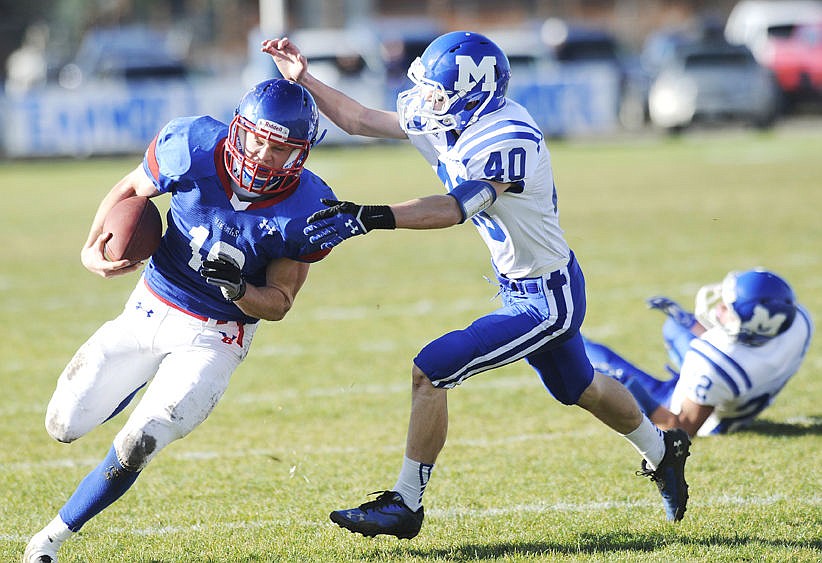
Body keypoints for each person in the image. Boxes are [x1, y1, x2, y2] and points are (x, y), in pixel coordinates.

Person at [263, 31, 692, 539]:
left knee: (431, 370)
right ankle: (664, 450)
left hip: (545, 298)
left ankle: (406, 502)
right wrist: (304, 79)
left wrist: (370, 216)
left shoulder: (507, 137)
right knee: (581, 388)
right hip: (524, 282)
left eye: (437, 94)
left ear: (473, 95)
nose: (426, 102)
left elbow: (452, 209)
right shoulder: (448, 114)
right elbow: (362, 120)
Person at [23, 79, 337, 562]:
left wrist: (239, 289)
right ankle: (134, 380)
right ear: (239, 128)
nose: (264, 154)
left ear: (301, 154)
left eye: (280, 148)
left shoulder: (308, 205)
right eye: (258, 138)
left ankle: (51, 540)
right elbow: (131, 187)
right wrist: (92, 247)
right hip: (148, 305)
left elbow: (279, 301)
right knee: (62, 424)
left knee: (138, 442)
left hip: (216, 336)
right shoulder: (191, 145)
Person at [583, 268, 813, 437]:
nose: (720, 306)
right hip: (744, 385)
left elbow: (679, 429)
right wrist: (691, 325)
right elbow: (743, 350)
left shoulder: (716, 368)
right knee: (675, 327)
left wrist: (632, 389)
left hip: (703, 413)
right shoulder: (798, 322)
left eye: (727, 308)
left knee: (589, 354)